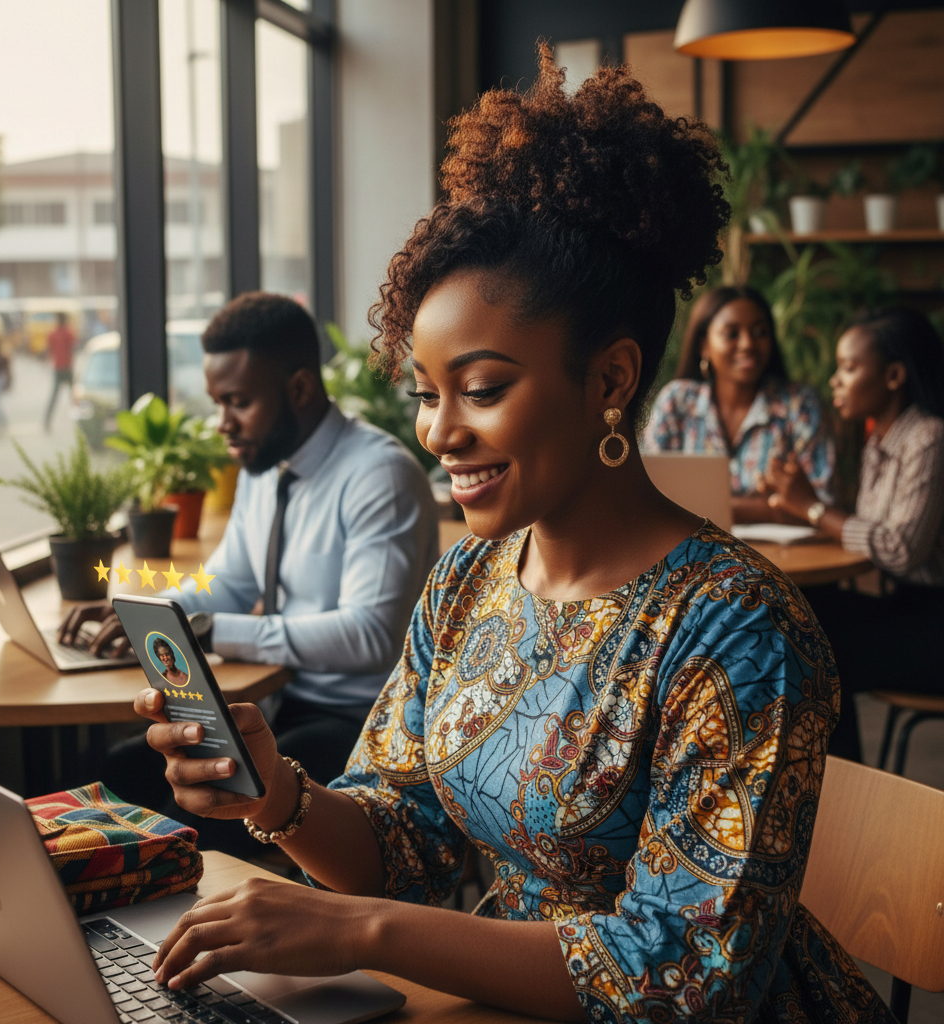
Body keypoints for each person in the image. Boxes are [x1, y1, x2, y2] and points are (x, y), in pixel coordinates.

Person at [131, 50, 892, 1024]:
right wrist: (275, 795)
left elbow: (686, 975)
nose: (441, 431)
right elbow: (403, 837)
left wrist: (364, 932)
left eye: (481, 389)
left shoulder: (736, 628)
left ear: (611, 380)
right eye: (426, 394)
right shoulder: (465, 584)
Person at [59, 292, 440, 838]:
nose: (222, 423)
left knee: (200, 807)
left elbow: (369, 636)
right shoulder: (265, 466)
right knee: (124, 769)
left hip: (358, 722)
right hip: (278, 702)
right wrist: (147, 613)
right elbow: (232, 580)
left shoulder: (379, 476)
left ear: (301, 389)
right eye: (218, 403)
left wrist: (210, 630)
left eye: (237, 402)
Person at [764, 306, 944, 763]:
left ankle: (839, 795)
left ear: (894, 375)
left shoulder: (928, 438)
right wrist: (807, 507)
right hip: (908, 606)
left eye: (848, 367)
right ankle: (825, 785)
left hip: (934, 626)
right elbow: (870, 531)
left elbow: (899, 548)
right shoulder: (880, 441)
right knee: (798, 613)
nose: (835, 381)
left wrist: (811, 506)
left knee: (819, 654)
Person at [643, 286, 835, 523]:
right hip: (691, 552)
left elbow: (819, 503)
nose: (747, 344)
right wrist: (770, 508)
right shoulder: (677, 402)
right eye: (732, 334)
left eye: (760, 332)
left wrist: (707, 509)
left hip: (780, 556)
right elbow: (647, 495)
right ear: (704, 345)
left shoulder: (799, 405)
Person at [44, 312, 77, 431]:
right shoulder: (67, 333)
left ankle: (47, 422)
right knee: (72, 397)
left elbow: (50, 350)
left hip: (61, 368)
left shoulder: (55, 333)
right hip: (65, 368)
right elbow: (72, 348)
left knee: (64, 397)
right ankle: (47, 422)